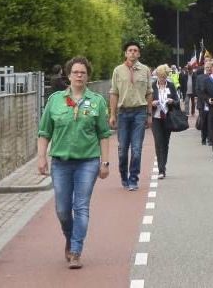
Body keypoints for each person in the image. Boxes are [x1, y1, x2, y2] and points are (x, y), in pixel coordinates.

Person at [38, 56, 111, 269]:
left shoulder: (97, 101)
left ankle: (76, 250)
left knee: (81, 206)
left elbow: (104, 133)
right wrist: (42, 157)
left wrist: (104, 163)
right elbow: (44, 131)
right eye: (75, 72)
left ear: (88, 76)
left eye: (83, 72)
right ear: (68, 75)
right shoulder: (55, 100)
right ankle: (69, 238)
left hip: (87, 162)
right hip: (60, 162)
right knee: (62, 209)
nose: (79, 75)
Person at [108, 40, 152, 191]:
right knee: (122, 149)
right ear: (125, 53)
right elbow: (114, 93)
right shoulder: (118, 70)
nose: (133, 53)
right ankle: (123, 175)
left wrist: (149, 115)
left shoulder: (145, 70)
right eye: (130, 50)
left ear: (139, 53)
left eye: (135, 50)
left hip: (139, 112)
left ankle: (134, 178)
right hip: (123, 113)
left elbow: (149, 93)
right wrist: (112, 115)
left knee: (137, 148)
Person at [150, 65, 180, 179]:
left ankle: (163, 166)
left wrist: (172, 101)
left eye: (164, 77)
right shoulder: (152, 86)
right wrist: (152, 103)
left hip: (168, 117)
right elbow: (145, 100)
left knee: (165, 143)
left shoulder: (171, 86)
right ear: (157, 76)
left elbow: (177, 101)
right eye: (160, 76)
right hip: (156, 118)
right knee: (158, 142)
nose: (162, 79)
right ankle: (161, 170)